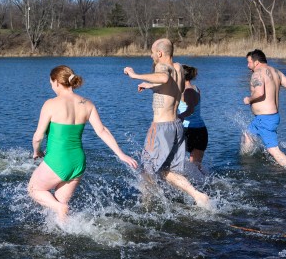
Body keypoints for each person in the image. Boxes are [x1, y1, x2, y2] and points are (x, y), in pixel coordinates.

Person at [28, 65, 138, 221]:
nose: (51, 86)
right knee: (59, 209)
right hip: (78, 162)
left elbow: (38, 137)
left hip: (58, 159)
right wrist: (121, 154)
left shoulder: (50, 104)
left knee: (34, 189)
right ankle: (64, 232)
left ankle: (60, 209)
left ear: (57, 82)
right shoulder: (87, 104)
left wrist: (36, 151)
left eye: (51, 83)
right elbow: (102, 131)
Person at [123, 38, 210, 209]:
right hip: (176, 125)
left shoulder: (161, 66)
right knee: (168, 169)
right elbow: (168, 83)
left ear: (160, 53)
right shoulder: (178, 68)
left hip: (161, 127)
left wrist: (135, 75)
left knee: (146, 168)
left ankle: (147, 205)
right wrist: (149, 85)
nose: (151, 56)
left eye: (152, 52)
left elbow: (163, 76)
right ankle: (197, 195)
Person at [242, 49, 286, 167]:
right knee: (247, 135)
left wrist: (248, 99)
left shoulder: (257, 73)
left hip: (265, 119)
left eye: (249, 62)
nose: (248, 65)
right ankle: (246, 162)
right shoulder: (277, 72)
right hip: (268, 118)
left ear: (256, 62)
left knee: (273, 150)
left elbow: (260, 93)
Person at [178, 65, 208, 171]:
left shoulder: (188, 91)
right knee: (196, 167)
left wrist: (180, 116)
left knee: (188, 166)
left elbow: (190, 109)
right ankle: (207, 184)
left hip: (190, 131)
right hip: (201, 131)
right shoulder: (196, 88)